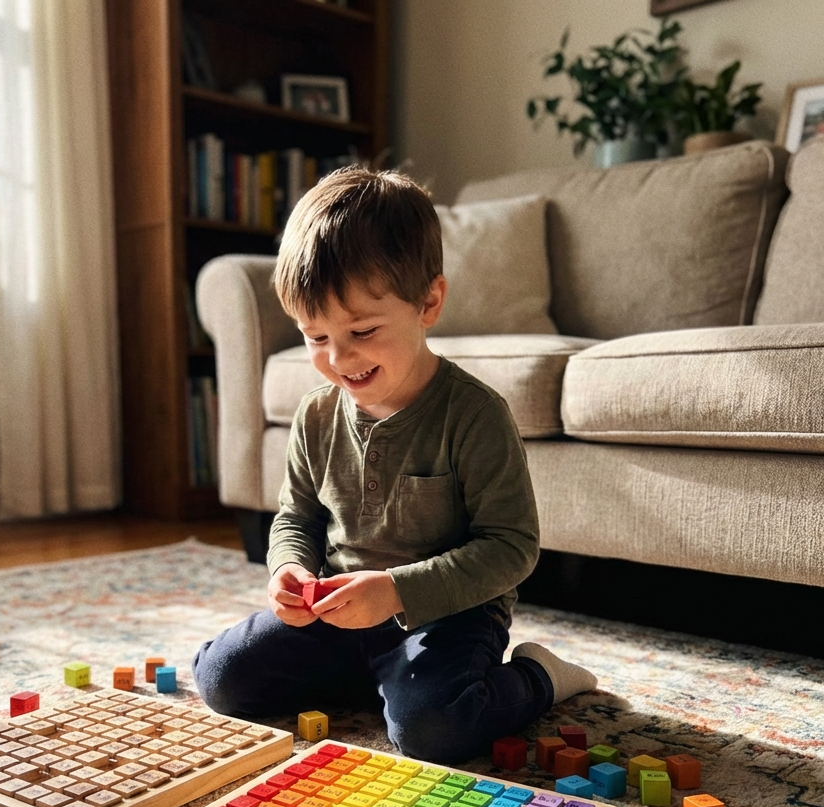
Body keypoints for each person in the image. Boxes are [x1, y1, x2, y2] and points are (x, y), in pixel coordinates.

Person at [193, 166, 596, 764]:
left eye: (361, 330)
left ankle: (538, 676)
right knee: (219, 677)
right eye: (315, 336)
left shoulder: (475, 415)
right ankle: (380, 679)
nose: (338, 357)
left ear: (428, 302)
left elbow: (511, 549)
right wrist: (289, 570)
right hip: (337, 608)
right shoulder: (316, 416)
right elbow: (296, 516)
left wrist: (396, 591)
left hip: (448, 617)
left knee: (433, 730)